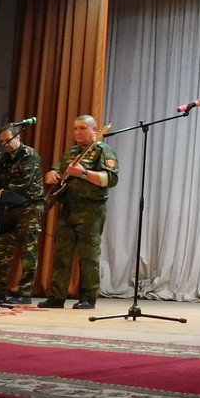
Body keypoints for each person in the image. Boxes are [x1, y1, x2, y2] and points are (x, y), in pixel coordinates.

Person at [38, 115, 118, 310]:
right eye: (75, 128)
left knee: (89, 255)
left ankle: (88, 298)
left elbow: (110, 179)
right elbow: (58, 170)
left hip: (91, 210)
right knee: (62, 254)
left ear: (95, 130)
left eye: (83, 128)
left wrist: (83, 173)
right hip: (69, 209)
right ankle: (57, 297)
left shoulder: (103, 151)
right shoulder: (72, 152)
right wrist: (51, 174)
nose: (78, 132)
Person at [0, 123, 44, 305]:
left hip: (29, 206)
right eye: (2, 141)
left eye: (8, 140)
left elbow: (23, 184)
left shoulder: (29, 155)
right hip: (10, 207)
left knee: (28, 251)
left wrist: (1, 192)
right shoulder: (4, 157)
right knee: (1, 249)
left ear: (18, 137)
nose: (5, 144)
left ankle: (24, 294)